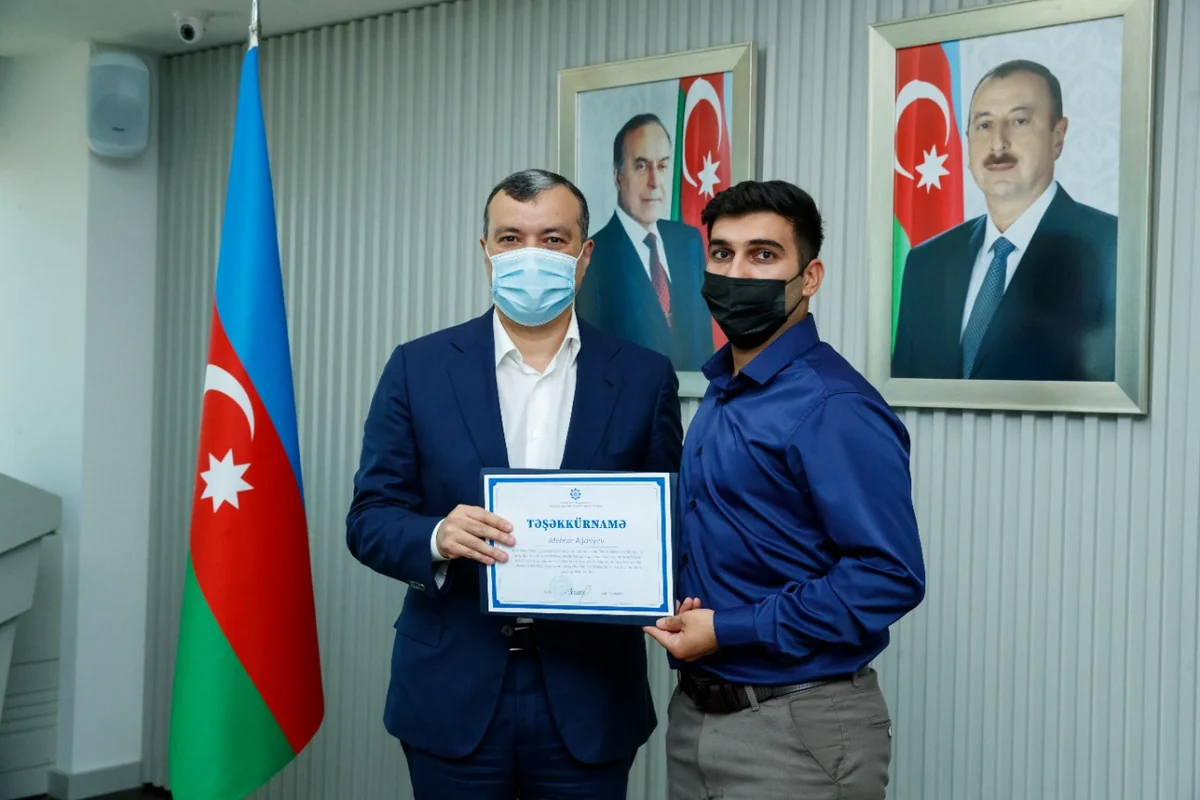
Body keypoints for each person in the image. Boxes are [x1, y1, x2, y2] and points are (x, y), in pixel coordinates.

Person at [346, 168, 683, 799]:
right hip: (453, 688)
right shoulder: (418, 368)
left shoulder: (644, 377)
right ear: (486, 252)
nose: (531, 254)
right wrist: (437, 536)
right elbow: (369, 518)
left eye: (553, 239)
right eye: (511, 238)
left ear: (584, 255)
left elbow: (670, 524)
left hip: (590, 694)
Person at [644, 180, 926, 800]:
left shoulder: (833, 404)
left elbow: (889, 576)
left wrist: (730, 628)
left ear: (810, 276)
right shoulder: (725, 387)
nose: (737, 273)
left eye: (764, 254)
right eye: (723, 254)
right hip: (695, 718)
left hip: (796, 729)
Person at [891, 59, 1118, 382]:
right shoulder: (926, 261)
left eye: (1019, 121)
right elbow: (903, 392)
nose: (998, 143)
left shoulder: (1114, 247)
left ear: (1058, 136)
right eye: (984, 125)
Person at [575, 113, 713, 372]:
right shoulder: (592, 257)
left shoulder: (689, 242)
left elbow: (704, 344)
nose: (654, 182)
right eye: (641, 166)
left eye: (662, 166)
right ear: (617, 175)